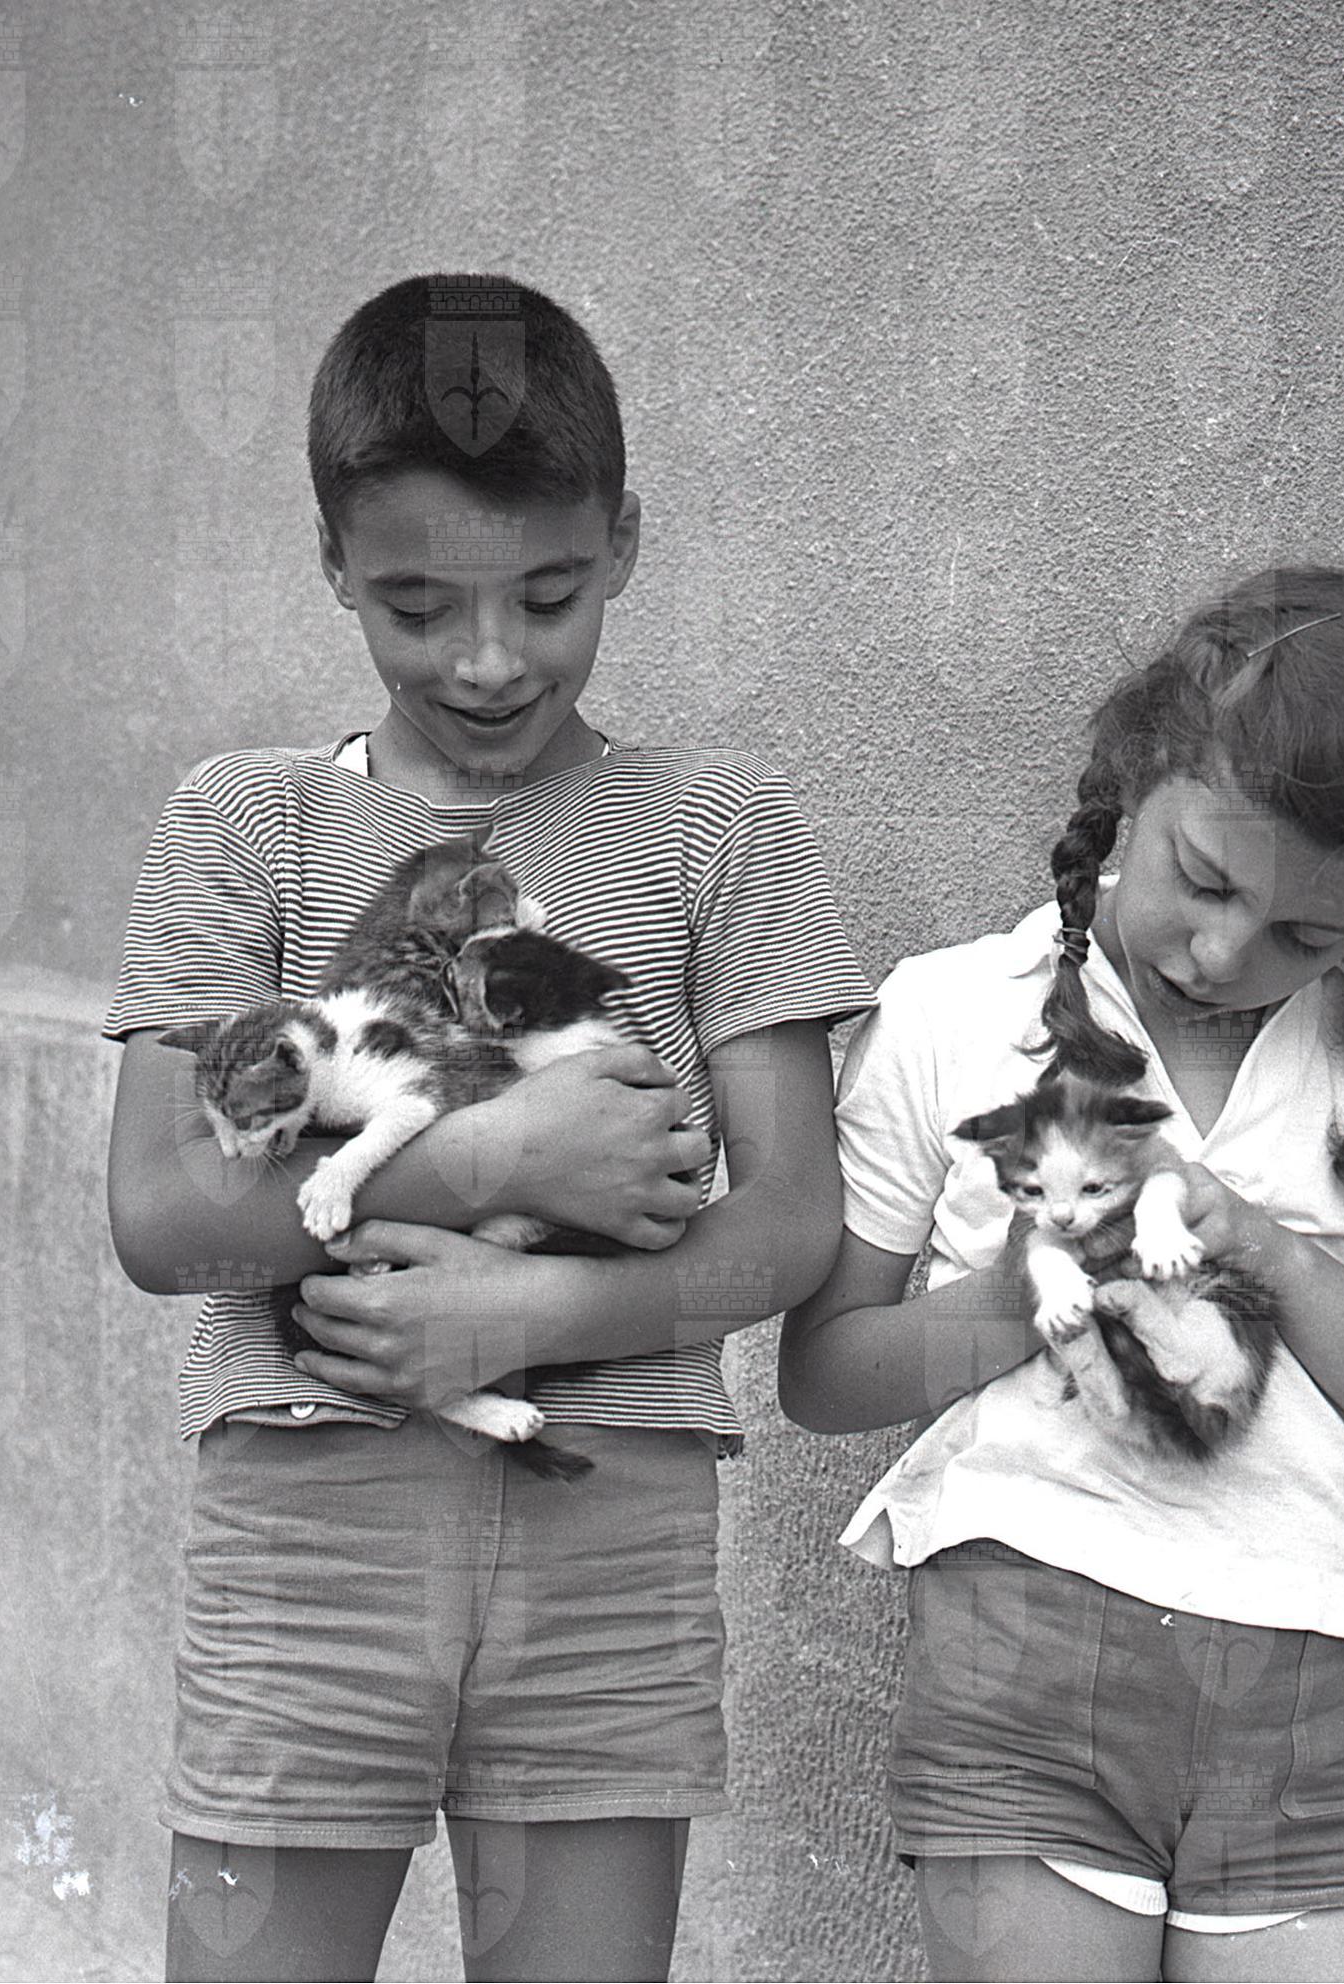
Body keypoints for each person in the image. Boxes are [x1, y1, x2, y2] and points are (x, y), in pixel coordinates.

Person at [105, 273, 870, 1982]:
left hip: (611, 1533)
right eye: (415, 603)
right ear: (331, 563)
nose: (487, 658)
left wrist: (529, 1311)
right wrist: (500, 1163)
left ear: (624, 542)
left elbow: (792, 1225)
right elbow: (160, 1213)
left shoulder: (720, 835)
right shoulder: (245, 826)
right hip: (309, 1522)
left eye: (548, 593)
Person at [780, 567, 1344, 1984]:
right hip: (1020, 1650)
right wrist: (1026, 1295)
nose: (1222, 952)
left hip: (1307, 1681)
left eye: (1306, 937)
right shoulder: (951, 1011)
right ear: (1138, 776)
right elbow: (823, 1374)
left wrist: (1260, 1244)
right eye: (1205, 880)